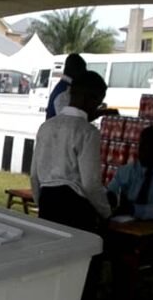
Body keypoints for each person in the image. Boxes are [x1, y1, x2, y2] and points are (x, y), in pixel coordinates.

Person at [32, 70, 111, 231]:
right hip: (74, 208)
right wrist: (106, 211)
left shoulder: (46, 127)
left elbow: (34, 175)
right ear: (90, 99)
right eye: (98, 102)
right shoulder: (87, 132)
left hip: (47, 202)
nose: (97, 108)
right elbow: (90, 183)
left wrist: (41, 202)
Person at [46, 53, 86, 120]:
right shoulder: (65, 92)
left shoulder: (62, 87)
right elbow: (67, 121)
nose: (85, 73)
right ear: (76, 70)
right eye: (83, 69)